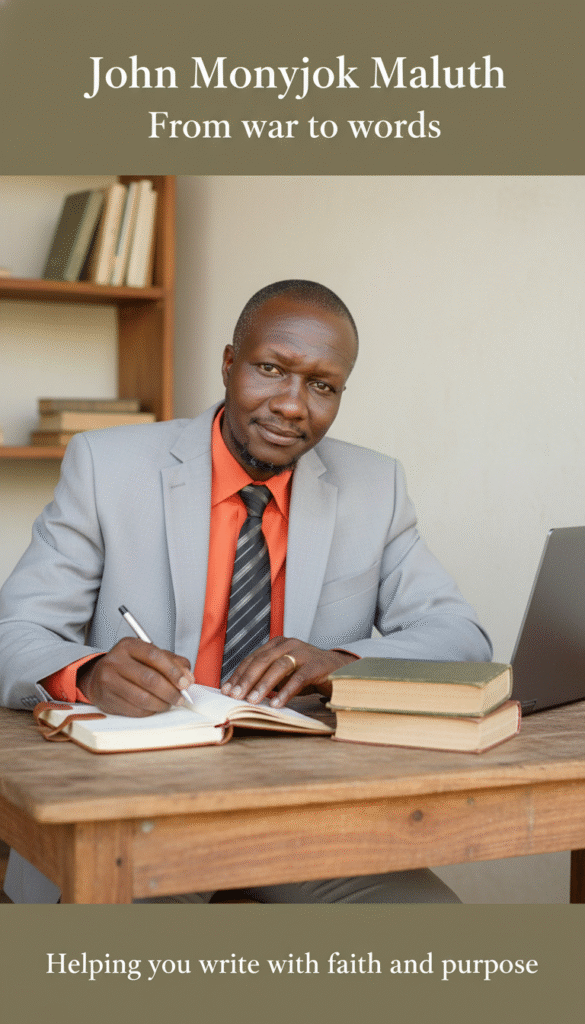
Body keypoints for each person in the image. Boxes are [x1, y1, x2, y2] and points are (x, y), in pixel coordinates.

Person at [0, 279, 491, 904]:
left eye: (322, 385)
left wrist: (339, 662)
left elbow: (462, 640)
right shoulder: (106, 467)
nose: (292, 405)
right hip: (130, 808)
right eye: (271, 369)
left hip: (304, 811)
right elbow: (14, 634)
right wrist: (92, 673)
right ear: (229, 364)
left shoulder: (374, 486)